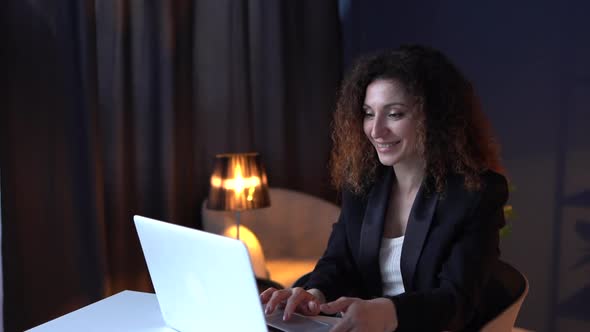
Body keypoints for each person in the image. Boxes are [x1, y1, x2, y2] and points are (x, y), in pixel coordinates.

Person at [260, 45, 508, 331]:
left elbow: (456, 302)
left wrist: (389, 312)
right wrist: (313, 294)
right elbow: (338, 262)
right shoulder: (363, 182)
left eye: (394, 114)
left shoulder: (477, 193)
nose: (376, 131)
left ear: (435, 118)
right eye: (368, 113)